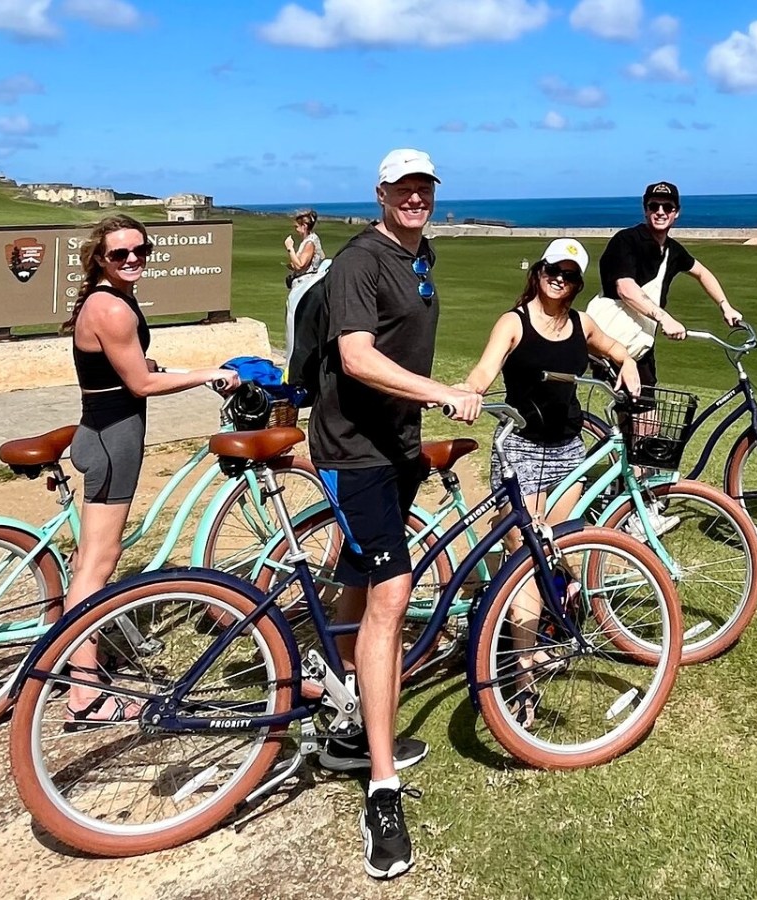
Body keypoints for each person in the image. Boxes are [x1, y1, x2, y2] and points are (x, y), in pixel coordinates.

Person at [307, 148, 481, 879]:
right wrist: (441, 392)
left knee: (358, 577)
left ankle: (347, 716)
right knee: (392, 596)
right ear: (380, 193)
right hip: (355, 452)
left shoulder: (419, 255)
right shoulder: (358, 261)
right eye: (403, 188)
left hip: (396, 446)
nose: (416, 198)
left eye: (424, 188)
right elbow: (355, 357)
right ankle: (382, 786)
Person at [61, 215, 239, 726]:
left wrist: (154, 367)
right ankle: (84, 693)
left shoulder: (109, 298)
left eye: (141, 250)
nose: (133, 259)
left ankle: (71, 654)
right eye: (120, 254)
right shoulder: (112, 307)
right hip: (113, 438)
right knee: (99, 561)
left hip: (102, 428)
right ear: (100, 258)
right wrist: (206, 374)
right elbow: (139, 385)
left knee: (89, 558)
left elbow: (125, 369)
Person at [461, 238, 640, 727]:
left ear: (578, 283)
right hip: (521, 450)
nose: (559, 279)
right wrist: (468, 391)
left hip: (567, 452)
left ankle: (539, 636)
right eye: (552, 270)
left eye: (569, 274)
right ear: (539, 271)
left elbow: (615, 348)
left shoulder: (581, 324)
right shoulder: (514, 322)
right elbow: (484, 370)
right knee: (524, 560)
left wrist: (626, 363)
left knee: (560, 551)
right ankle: (523, 674)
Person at [595, 180, 742, 390]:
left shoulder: (673, 251)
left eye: (668, 207)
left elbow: (702, 272)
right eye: (654, 206)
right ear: (646, 210)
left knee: (646, 406)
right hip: (611, 342)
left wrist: (725, 305)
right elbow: (625, 288)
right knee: (630, 404)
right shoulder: (626, 240)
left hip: (641, 345)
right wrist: (665, 318)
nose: (660, 212)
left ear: (676, 213)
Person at [284, 208, 324, 288]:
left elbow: (300, 265)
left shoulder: (310, 243)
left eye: (297, 227)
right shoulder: (310, 240)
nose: (296, 230)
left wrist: (290, 248)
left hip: (306, 284)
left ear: (304, 226)